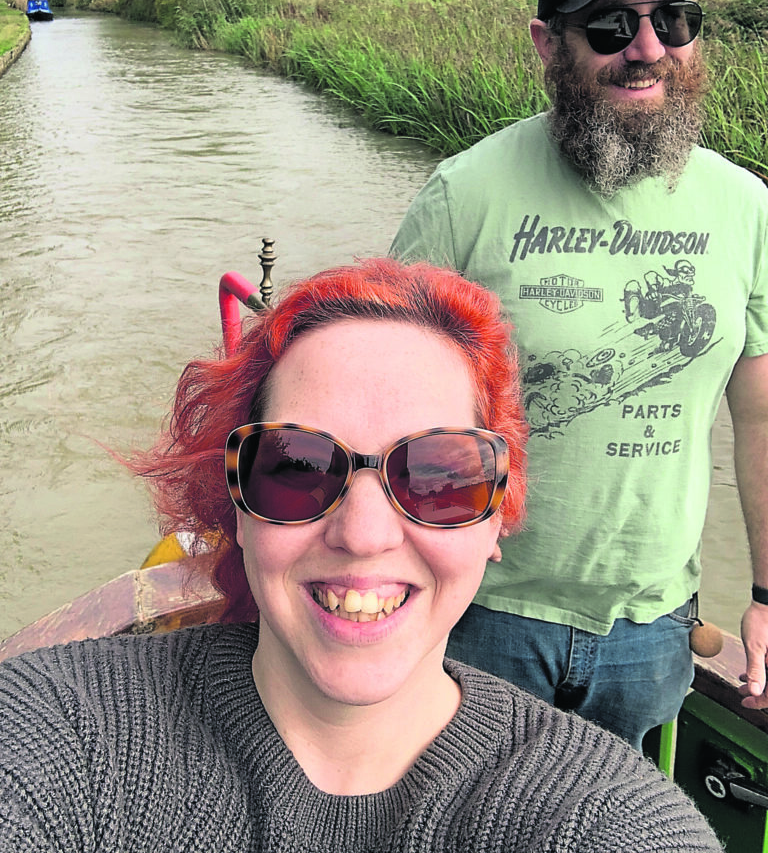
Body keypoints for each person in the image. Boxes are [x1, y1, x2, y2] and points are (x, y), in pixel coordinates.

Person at [0, 258, 722, 851]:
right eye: (295, 468)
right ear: (239, 513)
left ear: (498, 517)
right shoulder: (64, 731)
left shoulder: (599, 817)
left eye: (440, 477)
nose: (365, 534)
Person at [391, 0, 768, 748]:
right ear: (546, 44)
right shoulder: (464, 196)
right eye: (610, 24)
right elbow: (387, 414)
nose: (647, 47)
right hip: (483, 610)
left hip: (653, 626)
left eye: (674, 19)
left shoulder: (746, 208)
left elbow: (763, 418)